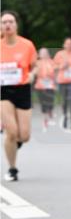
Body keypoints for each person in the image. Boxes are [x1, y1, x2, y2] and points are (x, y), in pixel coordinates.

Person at [0, 11, 37, 181]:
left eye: (11, 21)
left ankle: (16, 142)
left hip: (22, 89)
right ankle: (12, 169)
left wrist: (32, 75)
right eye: (4, 22)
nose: (7, 25)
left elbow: (35, 66)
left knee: (25, 135)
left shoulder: (27, 45)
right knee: (12, 132)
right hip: (4, 91)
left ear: (16, 25)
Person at [53, 37, 71, 130]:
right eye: (67, 44)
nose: (69, 45)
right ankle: (65, 117)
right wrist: (62, 66)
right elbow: (53, 67)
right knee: (65, 101)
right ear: (64, 45)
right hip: (63, 80)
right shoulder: (59, 54)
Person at [34, 47, 56, 130]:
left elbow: (56, 71)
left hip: (50, 85)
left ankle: (50, 111)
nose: (43, 55)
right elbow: (34, 73)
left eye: (45, 53)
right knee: (43, 103)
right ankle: (45, 119)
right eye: (42, 53)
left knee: (50, 102)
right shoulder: (37, 63)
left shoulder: (52, 62)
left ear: (48, 54)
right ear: (39, 55)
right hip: (40, 85)